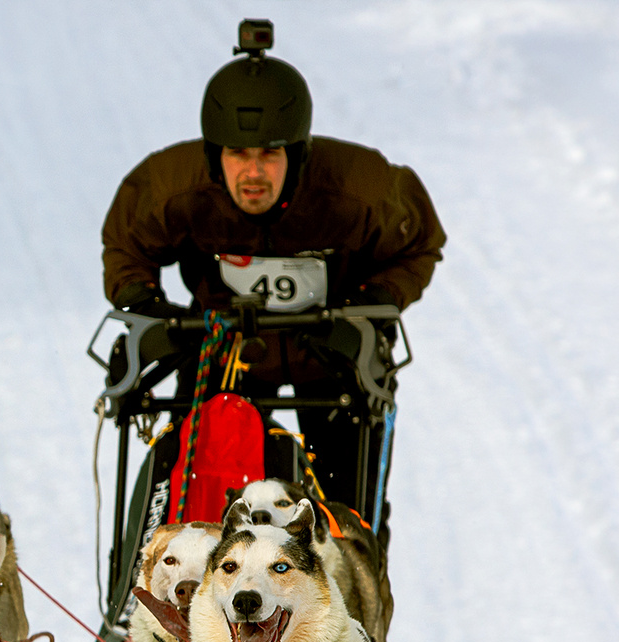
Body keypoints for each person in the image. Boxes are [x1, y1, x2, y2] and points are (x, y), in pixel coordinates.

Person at [100, 21, 445, 520]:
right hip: (223, 344)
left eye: (269, 154)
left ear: (299, 154)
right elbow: (126, 243)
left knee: (344, 516)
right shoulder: (171, 184)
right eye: (238, 154)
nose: (253, 172)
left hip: (330, 349)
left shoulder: (360, 188)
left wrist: (373, 302)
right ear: (214, 157)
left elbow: (420, 242)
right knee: (208, 505)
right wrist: (146, 307)